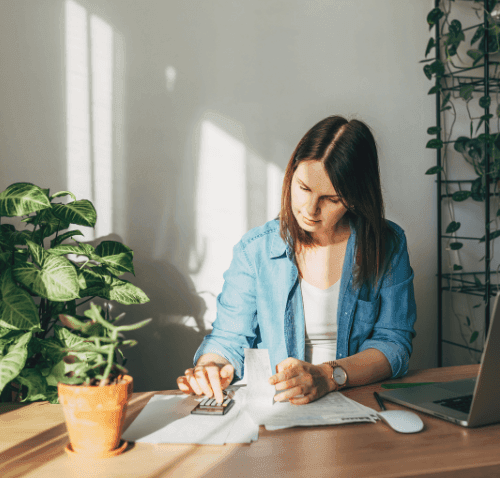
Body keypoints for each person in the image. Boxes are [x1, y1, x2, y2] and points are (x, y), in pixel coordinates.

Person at [176, 115, 417, 406]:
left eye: (331, 199)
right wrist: (211, 367)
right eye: (304, 188)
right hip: (280, 406)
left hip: (357, 400)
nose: (310, 210)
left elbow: (394, 343)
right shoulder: (256, 250)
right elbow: (228, 338)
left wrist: (328, 376)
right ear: (291, 175)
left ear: (354, 198)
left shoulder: (387, 244)